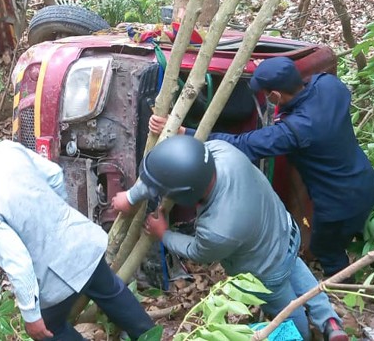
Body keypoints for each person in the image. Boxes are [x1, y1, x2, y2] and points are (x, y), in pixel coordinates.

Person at [149, 56, 374, 277]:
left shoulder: (297, 130)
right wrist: (267, 69)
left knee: (327, 250)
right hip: (366, 182)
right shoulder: (330, 85)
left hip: (337, 203)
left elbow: (243, 144)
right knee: (373, 235)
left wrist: (186, 133)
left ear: (276, 95)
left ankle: (345, 293)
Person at [0, 140, 156, 341]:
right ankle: (150, 335)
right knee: (110, 291)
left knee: (49, 328)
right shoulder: (5, 149)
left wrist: (31, 315)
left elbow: (17, 261)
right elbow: (56, 175)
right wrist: (56, 218)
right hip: (84, 241)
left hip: (58, 271)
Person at [111, 135, 348, 341]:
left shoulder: (219, 228)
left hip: (265, 270)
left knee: (288, 315)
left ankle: (302, 335)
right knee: (298, 272)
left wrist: (163, 234)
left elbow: (197, 251)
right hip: (285, 231)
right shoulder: (221, 151)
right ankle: (329, 321)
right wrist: (132, 196)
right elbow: (175, 171)